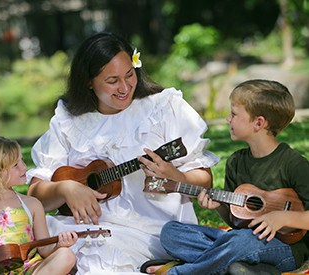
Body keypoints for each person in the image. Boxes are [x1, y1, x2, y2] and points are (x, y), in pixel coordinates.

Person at [26, 32, 220, 274]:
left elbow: (205, 181)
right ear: (88, 81)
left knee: (98, 262)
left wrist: (177, 177)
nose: (125, 87)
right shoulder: (69, 119)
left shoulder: (163, 107)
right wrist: (65, 189)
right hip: (81, 227)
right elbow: (35, 195)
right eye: (112, 80)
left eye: (130, 75)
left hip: (149, 231)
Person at [141, 79, 309, 275]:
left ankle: (180, 272)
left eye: (234, 114)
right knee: (171, 233)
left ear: (259, 123)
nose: (228, 119)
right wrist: (219, 206)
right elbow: (236, 221)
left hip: (286, 249)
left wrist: (282, 217)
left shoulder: (293, 163)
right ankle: (248, 270)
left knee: (241, 242)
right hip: (241, 241)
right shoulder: (236, 162)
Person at [0, 136, 79, 275]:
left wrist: (59, 245)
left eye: (21, 160)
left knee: (66, 255)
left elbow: (44, 248)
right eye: (16, 165)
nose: (24, 166)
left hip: (31, 269)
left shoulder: (32, 204)